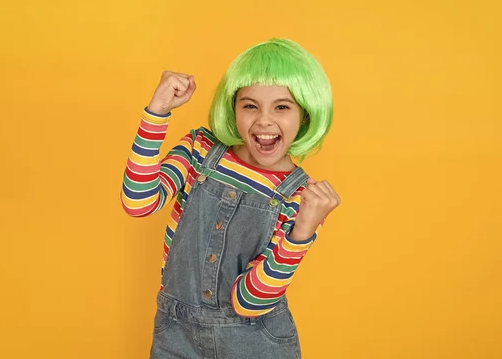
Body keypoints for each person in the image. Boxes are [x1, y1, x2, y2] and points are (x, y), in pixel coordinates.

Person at [121, 38, 341, 358]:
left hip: (255, 343)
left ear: (305, 115)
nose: (264, 120)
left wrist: (301, 234)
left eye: (282, 106)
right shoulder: (199, 150)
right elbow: (138, 202)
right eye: (250, 105)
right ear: (233, 108)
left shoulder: (303, 198)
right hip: (176, 332)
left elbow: (248, 302)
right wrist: (157, 112)